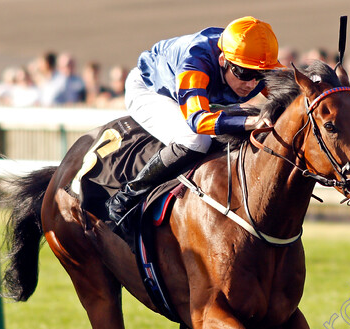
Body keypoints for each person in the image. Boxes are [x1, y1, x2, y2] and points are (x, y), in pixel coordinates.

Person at [107, 16, 282, 224]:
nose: (252, 84)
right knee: (196, 139)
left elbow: (293, 94)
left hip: (199, 96)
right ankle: (126, 197)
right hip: (150, 90)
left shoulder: (249, 56)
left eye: (261, 75)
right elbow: (198, 121)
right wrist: (252, 122)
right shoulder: (195, 60)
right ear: (222, 60)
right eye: (244, 73)